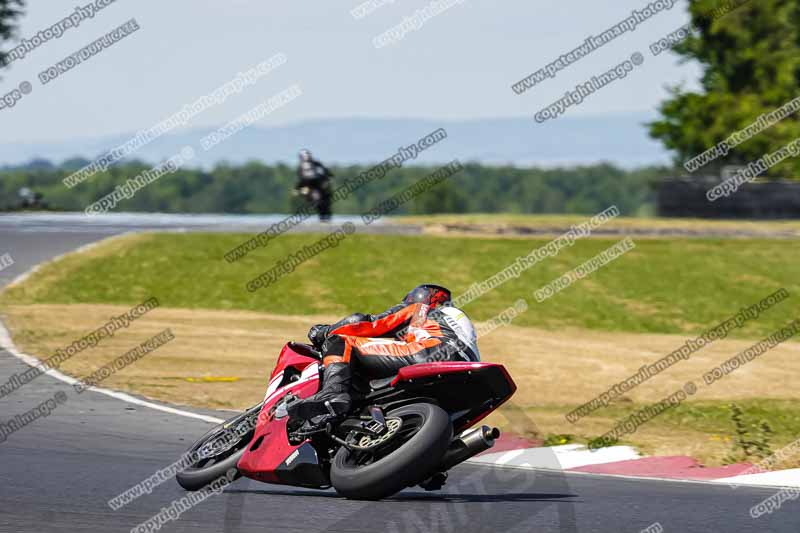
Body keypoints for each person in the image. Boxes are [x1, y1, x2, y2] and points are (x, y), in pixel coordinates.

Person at [287, 284, 481, 421]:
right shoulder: (456, 319)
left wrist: (325, 332)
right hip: (466, 373)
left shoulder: (420, 309)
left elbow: (367, 323)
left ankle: (332, 393)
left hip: (432, 352)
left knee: (342, 341)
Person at [295, 149, 333, 221]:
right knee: (308, 195)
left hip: (321, 185)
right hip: (311, 187)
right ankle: (322, 214)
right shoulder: (301, 168)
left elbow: (327, 174)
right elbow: (302, 180)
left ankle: (325, 216)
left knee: (325, 202)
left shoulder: (316, 164)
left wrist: (326, 181)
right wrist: (298, 189)